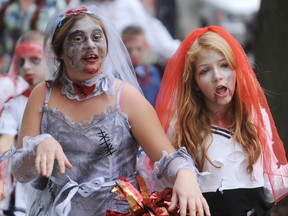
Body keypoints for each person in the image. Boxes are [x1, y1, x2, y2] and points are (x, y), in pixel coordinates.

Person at [2, 5, 210, 216]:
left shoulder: (125, 97)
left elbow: (167, 158)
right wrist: (39, 145)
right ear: (60, 52)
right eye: (78, 39)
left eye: (97, 37)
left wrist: (185, 173)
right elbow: (20, 172)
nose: (90, 45)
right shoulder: (42, 94)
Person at [154, 26, 288, 215]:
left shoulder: (256, 119)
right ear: (196, 83)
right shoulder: (181, 126)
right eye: (205, 70)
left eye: (224, 65)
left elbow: (268, 191)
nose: (218, 76)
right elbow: (165, 190)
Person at [0, 30, 47, 216]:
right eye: (21, 61)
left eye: (34, 60)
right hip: (22, 192)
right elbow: (5, 141)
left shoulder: (64, 99)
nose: (26, 67)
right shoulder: (14, 104)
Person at [122, 25, 161, 107]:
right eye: (129, 50)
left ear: (145, 46)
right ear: (122, 49)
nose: (134, 54)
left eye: (138, 49)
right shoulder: (120, 75)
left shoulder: (153, 72)